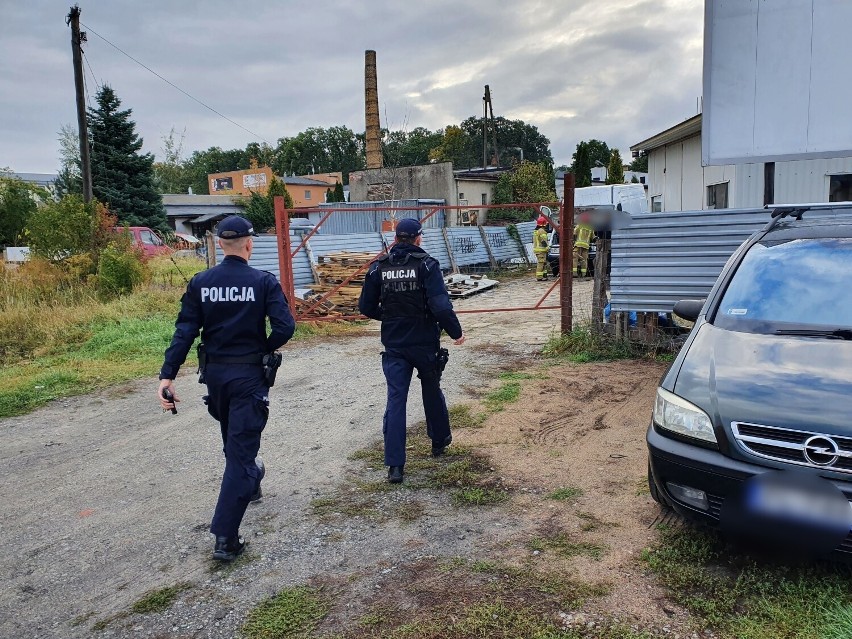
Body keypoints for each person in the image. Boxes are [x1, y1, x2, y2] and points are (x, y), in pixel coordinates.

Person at [157, 215, 295, 561]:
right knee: (240, 452)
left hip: (215, 377)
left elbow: (184, 332)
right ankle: (225, 537)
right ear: (249, 244)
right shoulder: (263, 282)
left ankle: (251, 479)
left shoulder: (201, 282)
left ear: (219, 245)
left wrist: (167, 376)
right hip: (248, 377)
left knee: (234, 444)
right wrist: (264, 347)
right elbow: (285, 326)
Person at [358, 218, 465, 484]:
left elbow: (365, 307)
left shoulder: (378, 268)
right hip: (425, 343)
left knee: (396, 400)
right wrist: (456, 332)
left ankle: (395, 466)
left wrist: (390, 316)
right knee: (431, 389)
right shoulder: (427, 265)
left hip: (394, 345)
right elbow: (440, 306)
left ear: (396, 238)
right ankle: (439, 440)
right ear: (418, 238)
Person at [573, 212, 596, 278]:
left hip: (578, 245)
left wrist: (573, 242)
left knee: (575, 258)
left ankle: (574, 273)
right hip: (586, 246)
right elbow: (593, 237)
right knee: (584, 260)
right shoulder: (590, 228)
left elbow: (574, 233)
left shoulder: (579, 225)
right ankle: (584, 274)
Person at [532, 215, 550, 281]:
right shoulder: (541, 231)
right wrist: (547, 247)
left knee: (544, 263)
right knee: (541, 263)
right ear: (544, 224)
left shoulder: (536, 231)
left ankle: (544, 275)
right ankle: (539, 277)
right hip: (541, 250)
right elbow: (543, 241)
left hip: (538, 250)